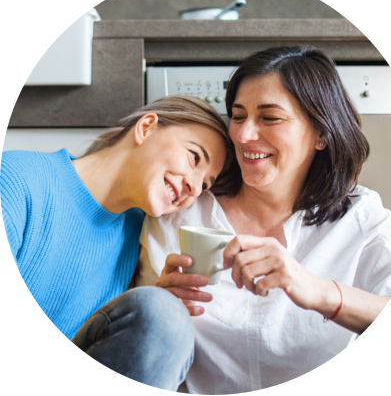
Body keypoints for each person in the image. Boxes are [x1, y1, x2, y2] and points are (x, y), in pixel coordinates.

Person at [137, 46, 391, 394]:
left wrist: (321, 292)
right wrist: (156, 306)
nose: (244, 135)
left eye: (269, 118)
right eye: (238, 116)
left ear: (322, 134)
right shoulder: (183, 207)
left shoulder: (357, 215)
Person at [0, 95, 234, 391]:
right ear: (146, 127)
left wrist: (153, 307)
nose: (193, 187)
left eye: (204, 185)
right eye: (194, 157)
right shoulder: (19, 179)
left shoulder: (136, 238)